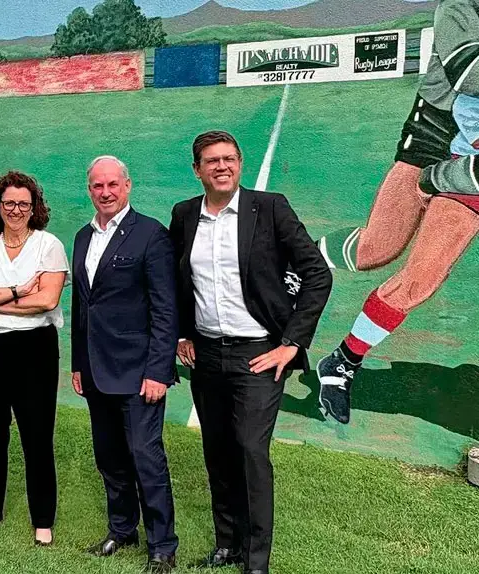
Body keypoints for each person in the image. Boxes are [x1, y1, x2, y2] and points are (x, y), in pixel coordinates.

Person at [170, 131, 331, 574]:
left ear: (239, 164)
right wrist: (182, 334)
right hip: (205, 356)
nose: (221, 166)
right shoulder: (184, 215)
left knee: (250, 450)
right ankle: (227, 543)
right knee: (218, 450)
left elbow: (317, 275)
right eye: (211, 160)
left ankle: (256, 560)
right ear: (197, 169)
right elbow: (180, 282)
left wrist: (291, 344)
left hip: (259, 355)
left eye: (229, 159)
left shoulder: (270, 207)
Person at [313, 0, 479, 423]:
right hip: (437, 127)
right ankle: (297, 261)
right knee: (377, 249)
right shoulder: (460, 4)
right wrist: (429, 180)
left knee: (420, 281)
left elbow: (455, 177)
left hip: (467, 165)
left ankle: (342, 361)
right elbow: (467, 72)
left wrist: (436, 181)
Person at [70, 156, 178, 573]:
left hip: (138, 372)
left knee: (145, 457)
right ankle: (122, 528)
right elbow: (83, 305)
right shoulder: (83, 237)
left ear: (127, 186)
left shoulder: (150, 235)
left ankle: (162, 545)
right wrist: (79, 363)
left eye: (113, 184)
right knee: (110, 457)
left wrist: (158, 370)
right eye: (98, 186)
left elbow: (165, 309)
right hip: (96, 371)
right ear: (90, 190)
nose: (106, 193)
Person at [0, 171, 68, 547]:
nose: (16, 210)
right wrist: (20, 289)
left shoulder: (49, 245)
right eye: (9, 203)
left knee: (37, 435)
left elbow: (48, 300)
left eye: (24, 203)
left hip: (36, 349)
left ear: (34, 207)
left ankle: (43, 519)